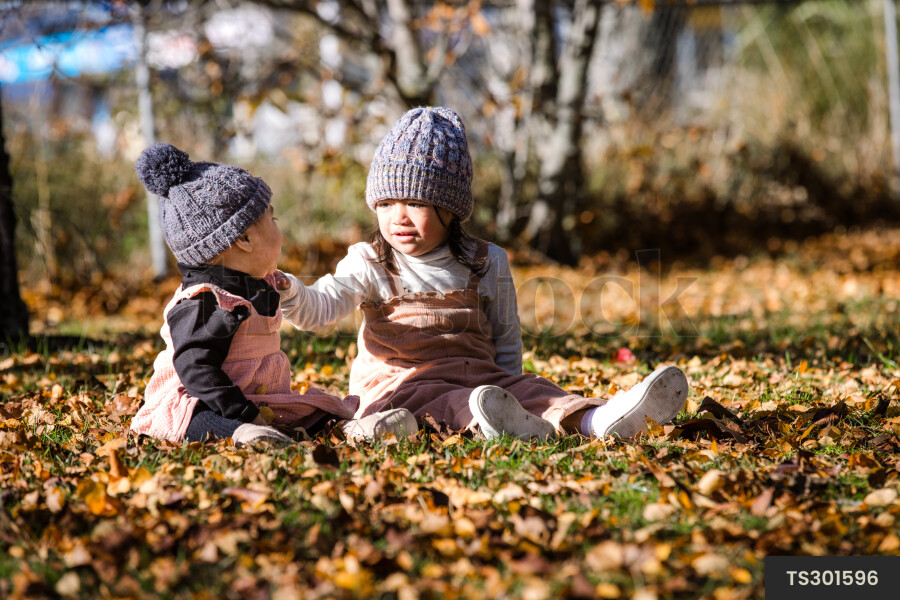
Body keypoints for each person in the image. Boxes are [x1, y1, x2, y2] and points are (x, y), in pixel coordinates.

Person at [275, 107, 689, 440]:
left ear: (450, 210)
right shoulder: (369, 262)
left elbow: (505, 334)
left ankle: (601, 419)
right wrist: (291, 291)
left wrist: (513, 388)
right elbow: (322, 307)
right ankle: (498, 421)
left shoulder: (486, 261)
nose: (397, 217)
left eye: (415, 204)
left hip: (482, 379)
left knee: (536, 389)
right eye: (386, 203)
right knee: (442, 401)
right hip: (400, 387)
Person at [129, 143, 416, 446]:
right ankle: (241, 435)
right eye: (273, 219)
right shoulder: (204, 301)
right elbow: (196, 370)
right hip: (205, 399)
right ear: (244, 238)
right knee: (194, 417)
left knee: (303, 412)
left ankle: (349, 431)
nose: (280, 229)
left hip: (257, 398)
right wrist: (242, 414)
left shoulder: (255, 284)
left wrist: (287, 291)